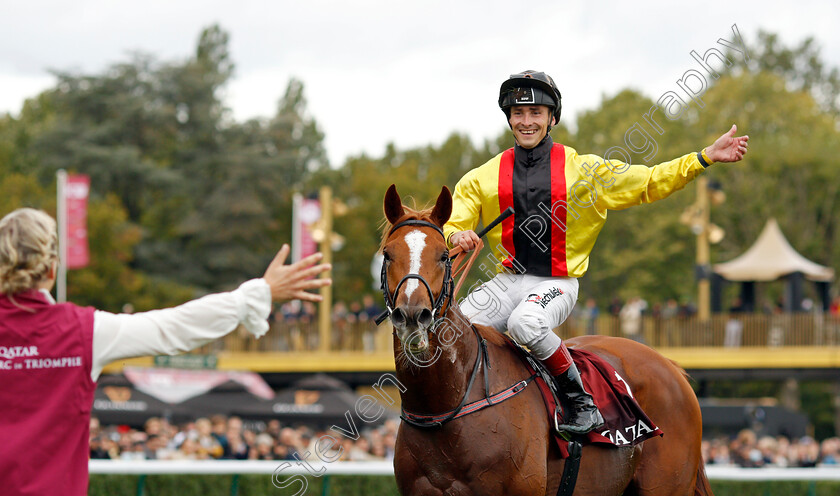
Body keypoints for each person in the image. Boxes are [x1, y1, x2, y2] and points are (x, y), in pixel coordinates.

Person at [444, 70, 749, 435]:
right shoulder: (482, 176)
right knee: (450, 330)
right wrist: (456, 235)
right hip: (506, 281)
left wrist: (702, 158)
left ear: (552, 118)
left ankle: (581, 402)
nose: (526, 122)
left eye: (536, 113)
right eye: (518, 114)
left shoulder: (585, 170)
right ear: (509, 119)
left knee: (524, 323)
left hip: (556, 282)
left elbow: (648, 182)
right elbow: (450, 224)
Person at [0, 207, 331, 496]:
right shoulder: (83, 330)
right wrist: (260, 293)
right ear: (52, 269)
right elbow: (174, 327)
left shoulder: (84, 331)